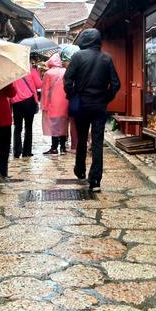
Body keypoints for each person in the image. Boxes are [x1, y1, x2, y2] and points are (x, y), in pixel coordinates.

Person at [64, 28, 120, 192]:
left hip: (82, 104)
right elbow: (116, 84)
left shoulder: (78, 56)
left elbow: (68, 80)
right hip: (99, 106)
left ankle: (80, 169)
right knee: (97, 141)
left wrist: (72, 95)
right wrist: (106, 98)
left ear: (84, 40)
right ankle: (95, 180)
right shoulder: (106, 58)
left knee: (81, 138)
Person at [10, 63, 42, 158]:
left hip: (16, 102)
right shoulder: (30, 70)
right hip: (29, 100)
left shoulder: (12, 71)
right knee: (28, 127)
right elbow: (39, 84)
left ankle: (17, 152)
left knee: (17, 127)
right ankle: (27, 151)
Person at [40, 53, 69, 154]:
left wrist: (44, 105)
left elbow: (45, 91)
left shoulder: (48, 73)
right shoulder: (65, 71)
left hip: (52, 103)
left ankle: (54, 147)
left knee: (54, 125)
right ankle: (63, 147)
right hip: (65, 102)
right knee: (63, 124)